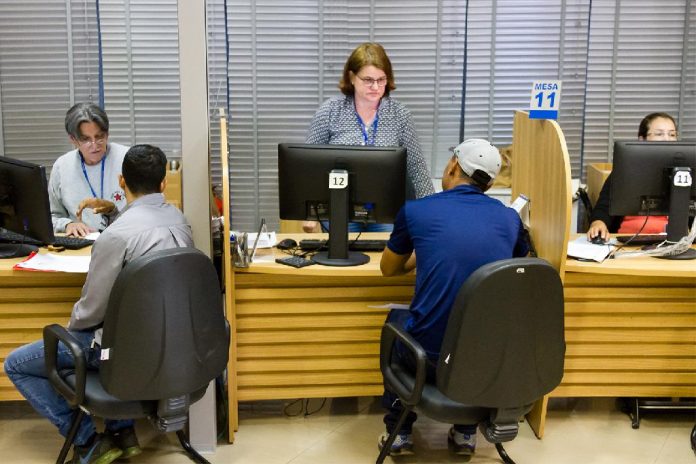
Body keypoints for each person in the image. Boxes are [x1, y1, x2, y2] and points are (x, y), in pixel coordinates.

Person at [4, 144, 194, 464]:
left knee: (17, 364)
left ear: (122, 181)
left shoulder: (115, 237)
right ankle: (123, 432)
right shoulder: (180, 221)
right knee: (116, 329)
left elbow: (91, 311)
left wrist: (71, 330)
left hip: (121, 353)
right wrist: (114, 214)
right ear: (163, 183)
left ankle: (89, 441)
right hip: (168, 344)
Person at [377, 139, 529, 457]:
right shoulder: (510, 219)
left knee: (396, 322)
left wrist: (423, 252)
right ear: (489, 183)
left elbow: (388, 269)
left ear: (453, 166)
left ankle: (399, 431)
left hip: (428, 358)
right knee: (474, 329)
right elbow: (517, 265)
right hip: (484, 358)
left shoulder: (416, 211)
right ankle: (465, 433)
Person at [304, 42, 435, 232]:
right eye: (368, 80)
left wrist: (431, 211)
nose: (375, 86)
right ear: (352, 77)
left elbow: (417, 168)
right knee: (341, 249)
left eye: (381, 80)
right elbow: (309, 165)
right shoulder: (330, 111)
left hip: (385, 207)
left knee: (386, 250)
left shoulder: (400, 115)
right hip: (340, 206)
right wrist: (309, 214)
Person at [587, 112, 678, 241]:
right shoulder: (625, 170)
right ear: (642, 139)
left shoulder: (684, 172)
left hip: (672, 242)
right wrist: (598, 224)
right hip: (627, 241)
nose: (667, 139)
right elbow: (603, 208)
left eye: (672, 134)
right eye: (659, 134)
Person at [49, 102, 129, 237]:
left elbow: (149, 209)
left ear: (107, 134)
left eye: (99, 137)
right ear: (73, 139)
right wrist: (67, 224)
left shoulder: (128, 159)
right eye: (86, 139)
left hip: (124, 238)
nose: (94, 145)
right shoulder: (61, 167)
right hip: (84, 242)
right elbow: (52, 217)